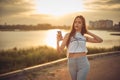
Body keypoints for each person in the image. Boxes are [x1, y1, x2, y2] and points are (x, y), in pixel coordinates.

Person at [56, 15, 103, 80]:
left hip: (83, 63)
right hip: (71, 63)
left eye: (79, 22)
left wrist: (88, 32)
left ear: (83, 25)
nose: (76, 24)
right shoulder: (68, 35)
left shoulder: (84, 37)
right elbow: (59, 51)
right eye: (75, 22)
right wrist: (57, 41)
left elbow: (100, 40)